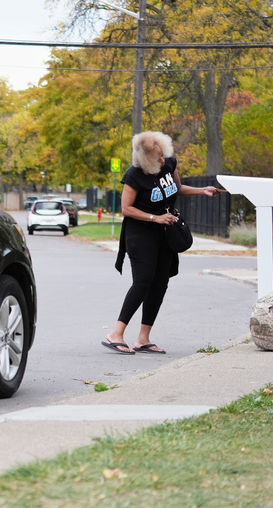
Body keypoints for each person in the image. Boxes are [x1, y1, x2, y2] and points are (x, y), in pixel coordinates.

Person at [102, 131, 216, 355]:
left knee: (160, 283)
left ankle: (143, 339)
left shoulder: (169, 164)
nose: (163, 161)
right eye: (158, 158)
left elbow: (178, 189)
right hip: (140, 233)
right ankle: (116, 333)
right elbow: (126, 209)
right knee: (142, 282)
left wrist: (202, 191)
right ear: (145, 160)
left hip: (166, 233)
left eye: (163, 155)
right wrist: (155, 217)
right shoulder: (135, 176)